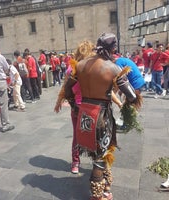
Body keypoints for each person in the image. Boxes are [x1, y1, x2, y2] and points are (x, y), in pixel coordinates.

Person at [70, 33, 140, 200]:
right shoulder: (113, 68)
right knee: (100, 156)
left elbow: (67, 91)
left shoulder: (80, 65)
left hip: (84, 114)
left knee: (100, 152)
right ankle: (97, 196)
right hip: (101, 117)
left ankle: (106, 187)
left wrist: (76, 107)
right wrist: (130, 104)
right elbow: (131, 96)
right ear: (113, 48)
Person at [54, 40, 96, 174]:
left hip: (85, 108)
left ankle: (78, 162)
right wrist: (60, 100)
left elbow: (64, 87)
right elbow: (65, 87)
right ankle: (79, 162)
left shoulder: (92, 68)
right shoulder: (74, 69)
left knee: (82, 135)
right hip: (83, 108)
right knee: (86, 135)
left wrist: (60, 100)